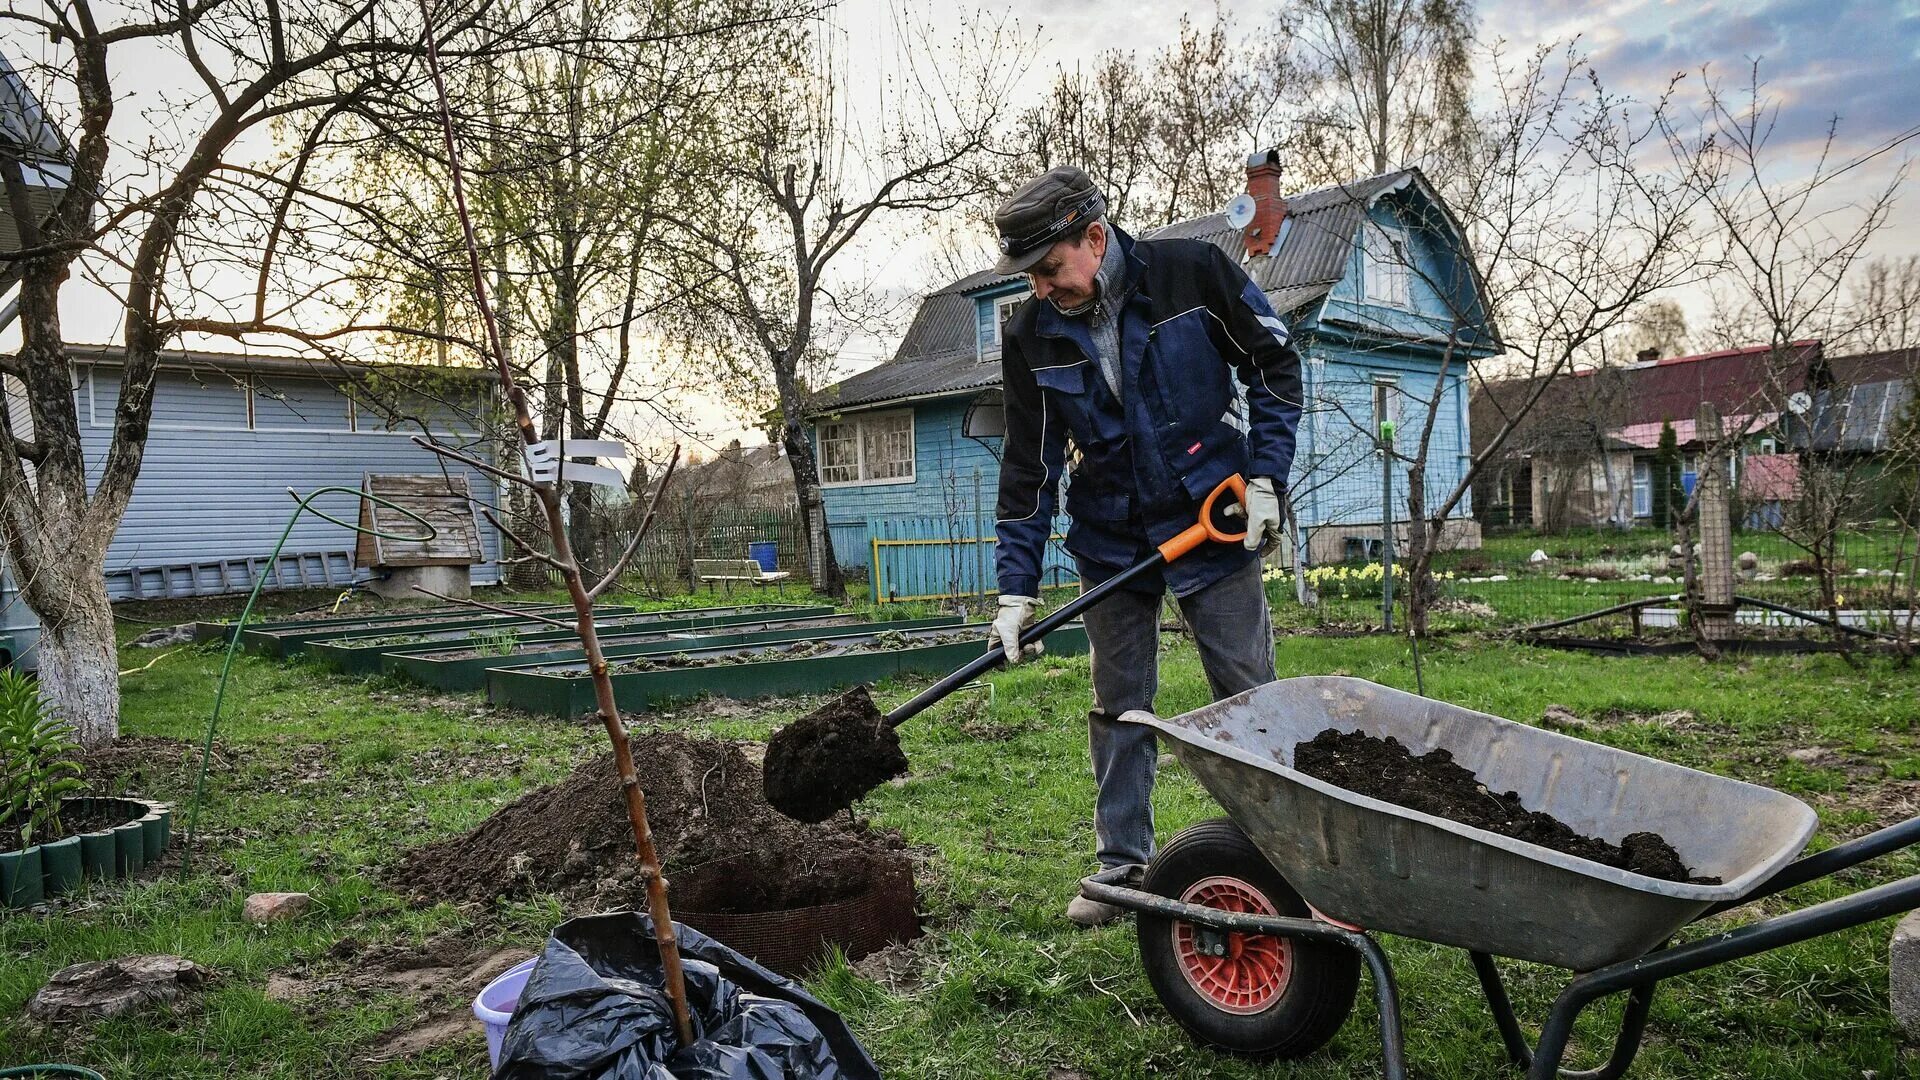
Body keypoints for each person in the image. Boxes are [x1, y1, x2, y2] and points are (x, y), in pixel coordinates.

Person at [988, 165, 1303, 926]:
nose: (1040, 289)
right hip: (1114, 536)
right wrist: (1015, 589)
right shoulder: (1029, 334)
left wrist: (1264, 480)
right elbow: (1029, 466)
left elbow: (1275, 364)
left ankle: (1286, 854)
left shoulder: (1192, 274)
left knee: (1248, 695)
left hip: (1213, 517)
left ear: (1094, 238)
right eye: (1028, 276)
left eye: (1049, 269)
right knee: (1119, 704)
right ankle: (1122, 866)